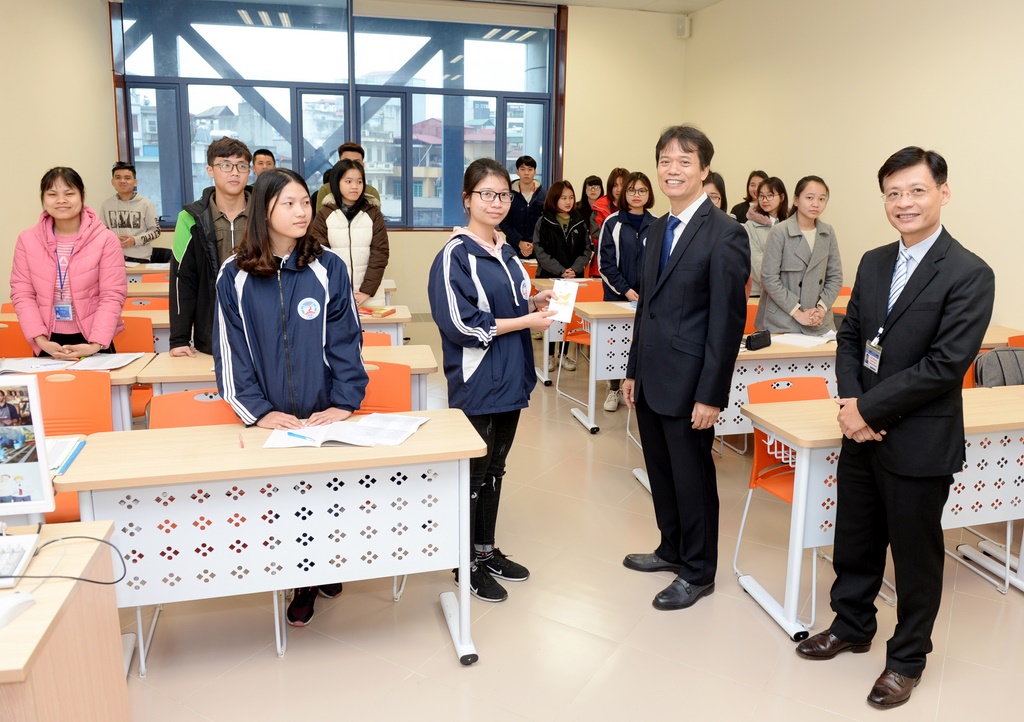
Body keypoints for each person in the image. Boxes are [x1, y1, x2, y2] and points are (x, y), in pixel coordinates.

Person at [795, 147, 995, 710]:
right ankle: (851, 625)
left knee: (915, 557)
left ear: (943, 193)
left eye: (916, 190)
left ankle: (906, 660)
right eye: (893, 193)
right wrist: (852, 404)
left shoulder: (969, 272)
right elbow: (851, 336)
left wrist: (868, 411)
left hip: (919, 439)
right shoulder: (875, 260)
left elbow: (944, 365)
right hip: (860, 430)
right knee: (854, 540)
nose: (904, 203)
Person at [214, 168, 369, 626]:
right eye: (289, 203)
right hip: (271, 414)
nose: (302, 212)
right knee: (286, 502)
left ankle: (323, 567)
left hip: (323, 410)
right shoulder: (234, 273)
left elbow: (347, 340)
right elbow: (230, 350)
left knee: (328, 496)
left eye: (305, 202)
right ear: (264, 210)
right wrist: (258, 411)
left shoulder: (328, 266)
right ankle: (302, 578)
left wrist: (344, 401)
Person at [621, 125, 749, 611]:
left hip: (691, 383)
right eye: (665, 161)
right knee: (661, 471)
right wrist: (631, 369)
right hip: (651, 377)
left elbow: (726, 323)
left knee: (693, 480)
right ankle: (671, 548)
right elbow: (646, 307)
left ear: (704, 169)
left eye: (684, 161)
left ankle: (698, 571)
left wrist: (711, 395)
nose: (672, 170)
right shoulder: (657, 229)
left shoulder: (726, 233)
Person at [427, 158, 556, 603]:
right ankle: (463, 561)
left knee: (496, 469)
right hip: (478, 379)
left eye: (503, 194)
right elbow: (460, 325)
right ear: (467, 200)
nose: (497, 202)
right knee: (474, 474)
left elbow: (512, 302)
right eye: (487, 194)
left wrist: (534, 300)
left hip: (512, 375)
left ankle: (485, 550)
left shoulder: (508, 252)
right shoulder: (454, 255)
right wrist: (524, 321)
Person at [11, 166, 127, 360]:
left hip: (94, 339)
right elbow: (22, 294)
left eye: (69, 193)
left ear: (82, 196)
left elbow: (112, 295)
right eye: (52, 194)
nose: (61, 200)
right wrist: (40, 341)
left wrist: (95, 344)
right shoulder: (27, 240)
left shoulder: (105, 239)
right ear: (43, 199)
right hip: (47, 341)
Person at [169, 138, 252, 357]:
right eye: (225, 165)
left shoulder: (266, 215)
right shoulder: (190, 218)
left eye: (241, 166)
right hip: (212, 330)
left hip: (261, 332)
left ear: (249, 171)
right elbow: (182, 280)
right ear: (210, 170)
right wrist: (179, 339)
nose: (234, 172)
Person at [756, 176, 843, 335]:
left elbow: (835, 277)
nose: (816, 204)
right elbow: (769, 279)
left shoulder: (828, 232)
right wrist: (798, 313)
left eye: (821, 199)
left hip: (819, 322)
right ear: (796, 200)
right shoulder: (779, 232)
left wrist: (821, 309)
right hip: (782, 322)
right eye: (809, 198)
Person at [598, 171, 655, 411]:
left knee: (641, 345)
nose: (636, 195)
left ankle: (639, 390)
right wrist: (626, 290)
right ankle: (614, 389)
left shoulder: (658, 224)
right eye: (632, 190)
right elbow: (605, 264)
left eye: (642, 190)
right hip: (617, 297)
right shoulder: (612, 223)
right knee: (616, 346)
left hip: (648, 300)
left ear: (649, 194)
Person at [309, 159, 390, 306]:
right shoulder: (324, 214)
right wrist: (338, 290)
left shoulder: (373, 213)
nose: (355, 186)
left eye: (359, 182)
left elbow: (380, 254)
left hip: (369, 296)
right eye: (348, 181)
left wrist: (366, 291)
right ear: (336, 183)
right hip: (335, 295)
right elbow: (320, 255)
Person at [533, 180, 592, 372]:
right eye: (563, 198)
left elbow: (587, 249)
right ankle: (550, 356)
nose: (568, 201)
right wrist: (560, 270)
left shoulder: (579, 221)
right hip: (550, 277)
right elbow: (539, 250)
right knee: (553, 317)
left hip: (573, 278)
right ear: (554, 199)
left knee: (567, 318)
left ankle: (564, 355)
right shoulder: (544, 221)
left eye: (571, 197)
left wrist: (574, 269)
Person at [100, 161, 161, 262]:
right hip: (113, 257)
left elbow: (156, 231)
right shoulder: (106, 205)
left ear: (135, 182)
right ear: (112, 182)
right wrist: (113, 238)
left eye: (127, 178)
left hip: (140, 258)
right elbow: (101, 231)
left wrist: (134, 240)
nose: (122, 181)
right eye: (118, 177)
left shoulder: (146, 204)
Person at [745, 177, 788, 297]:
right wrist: (775, 286)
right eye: (761, 196)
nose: (765, 200)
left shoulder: (791, 224)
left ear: (782, 197)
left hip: (788, 292)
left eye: (770, 195)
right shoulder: (750, 226)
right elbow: (756, 260)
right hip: (758, 292)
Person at [500, 155, 545, 259]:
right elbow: (503, 222)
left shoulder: (543, 195)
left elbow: (547, 223)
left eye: (530, 169)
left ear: (535, 172)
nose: (526, 173)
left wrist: (534, 243)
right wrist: (519, 242)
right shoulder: (508, 195)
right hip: (513, 248)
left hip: (538, 249)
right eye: (523, 169)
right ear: (517, 172)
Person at [315, 142, 381, 211]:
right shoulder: (326, 190)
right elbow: (321, 217)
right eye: (346, 162)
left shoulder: (371, 193)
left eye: (357, 162)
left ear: (363, 165)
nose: (352, 166)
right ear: (338, 164)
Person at [588, 168, 629, 277]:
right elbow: (595, 236)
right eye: (615, 185)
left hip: (627, 267)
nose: (618, 189)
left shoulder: (635, 207)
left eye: (622, 185)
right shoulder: (600, 207)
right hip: (602, 266)